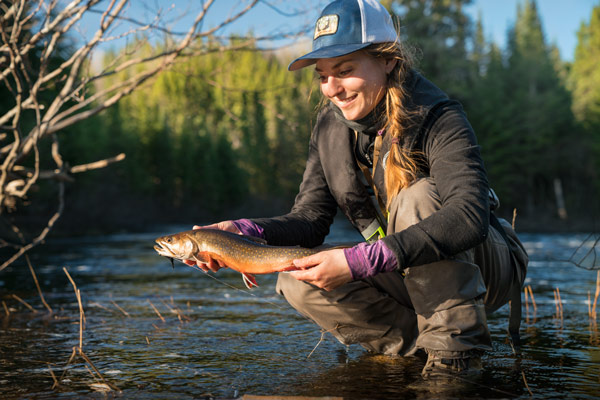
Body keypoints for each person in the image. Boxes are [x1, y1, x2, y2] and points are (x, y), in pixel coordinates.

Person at [186, 0, 528, 379]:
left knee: (417, 198)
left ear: (389, 61)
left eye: (345, 71)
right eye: (322, 75)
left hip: (487, 268)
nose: (332, 89)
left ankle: (454, 358)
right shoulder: (328, 129)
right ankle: (414, 347)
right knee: (297, 278)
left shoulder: (438, 116)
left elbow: (468, 217)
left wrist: (359, 262)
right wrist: (245, 233)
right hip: (402, 267)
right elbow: (310, 220)